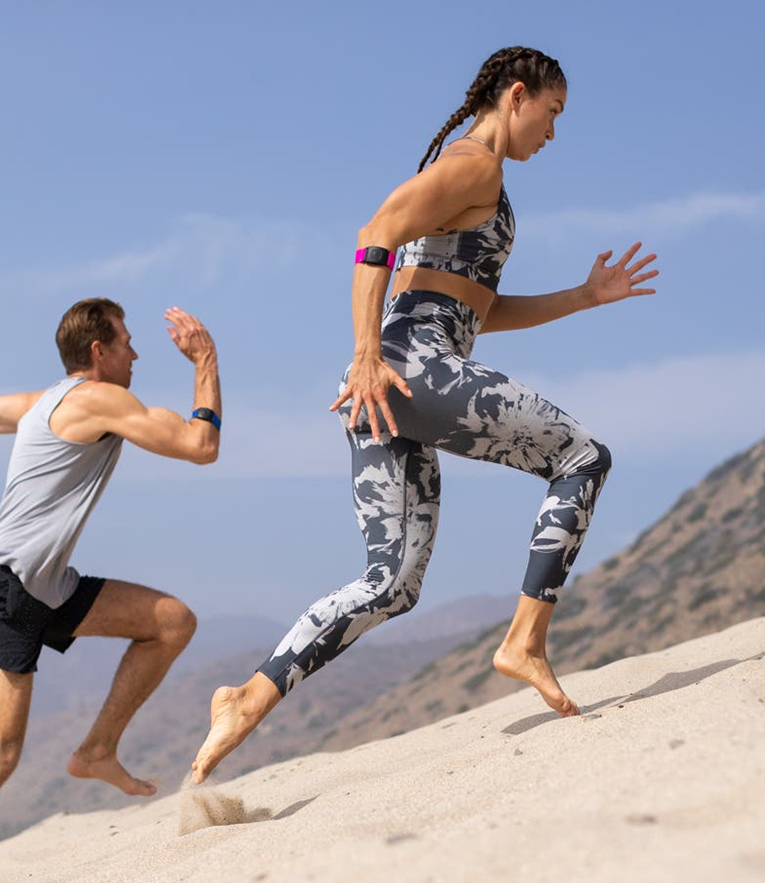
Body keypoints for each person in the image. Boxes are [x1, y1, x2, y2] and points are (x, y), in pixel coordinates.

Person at [191, 46, 658, 783]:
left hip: (393, 377)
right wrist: (367, 353)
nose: (553, 132)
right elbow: (373, 233)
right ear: (516, 96)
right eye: (552, 112)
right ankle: (525, 642)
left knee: (390, 583)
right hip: (406, 369)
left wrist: (580, 296)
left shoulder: (471, 171)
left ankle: (247, 695)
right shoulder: (475, 165)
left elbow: (476, 307)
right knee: (582, 458)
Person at [0, 299, 221, 883]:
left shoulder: (44, 403)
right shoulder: (98, 399)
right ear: (98, 352)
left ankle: (97, 751)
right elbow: (200, 445)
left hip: (44, 587)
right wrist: (204, 361)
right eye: (127, 342)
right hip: (2, 588)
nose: (137, 354)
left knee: (171, 622)